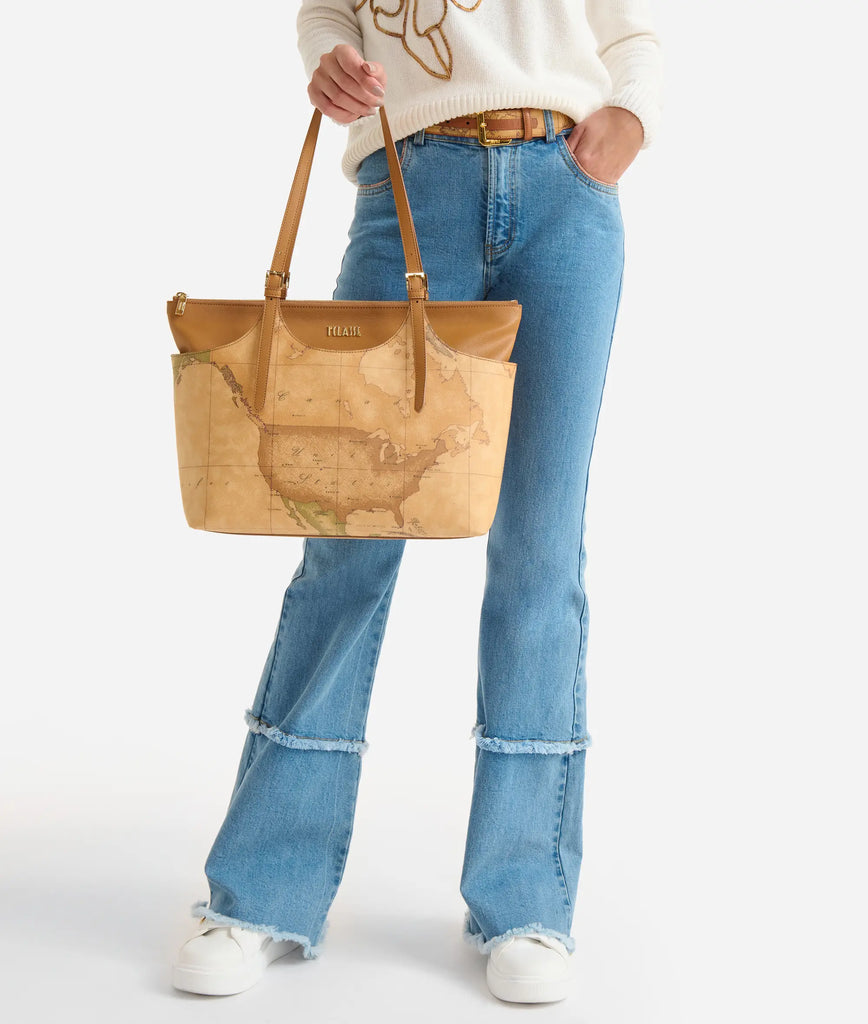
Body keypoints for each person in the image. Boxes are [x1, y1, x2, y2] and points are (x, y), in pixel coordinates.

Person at [171, 0, 663, 1005]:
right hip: (410, 185)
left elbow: (632, 34)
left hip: (567, 193)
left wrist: (630, 121)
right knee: (347, 541)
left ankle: (526, 903)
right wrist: (330, 58)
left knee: (540, 548)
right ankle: (262, 890)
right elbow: (327, 13)